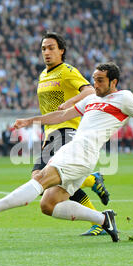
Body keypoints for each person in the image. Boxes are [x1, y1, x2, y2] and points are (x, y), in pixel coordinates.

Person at [0, 62, 133, 243]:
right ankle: (104, 219)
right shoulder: (91, 99)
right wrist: (30, 120)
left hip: (83, 151)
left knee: (40, 177)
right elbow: (61, 116)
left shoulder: (124, 98)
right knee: (48, 204)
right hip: (77, 152)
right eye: (94, 79)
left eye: (100, 80)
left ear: (114, 81)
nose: (95, 84)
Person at [32, 32, 111, 236]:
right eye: (43, 49)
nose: (47, 52)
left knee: (43, 179)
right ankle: (93, 188)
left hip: (67, 130)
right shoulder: (43, 75)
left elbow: (89, 91)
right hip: (51, 132)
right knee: (46, 180)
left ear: (61, 50)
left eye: (51, 48)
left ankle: (92, 183)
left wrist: (69, 103)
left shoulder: (67, 71)